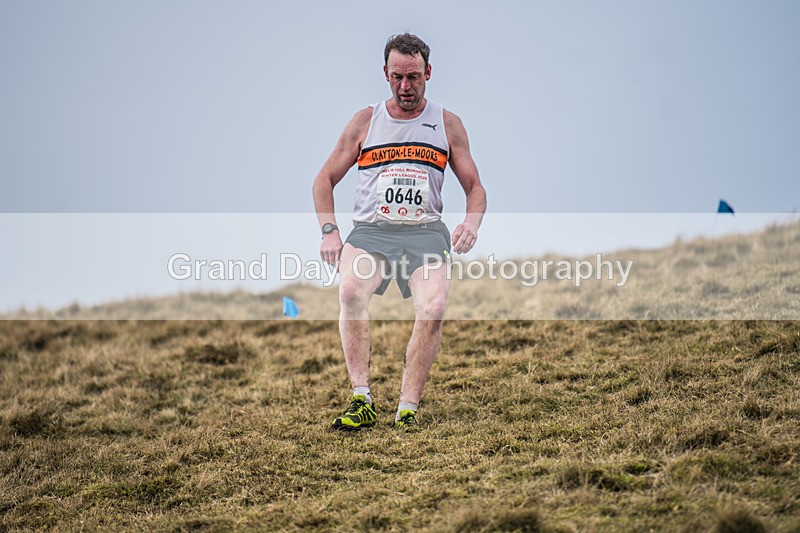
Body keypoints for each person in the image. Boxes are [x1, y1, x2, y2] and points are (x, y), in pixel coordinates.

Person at [312, 33, 486, 430]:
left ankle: (408, 407)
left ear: (428, 72)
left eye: (413, 77)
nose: (405, 87)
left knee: (434, 307)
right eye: (396, 78)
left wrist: (470, 223)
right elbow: (324, 179)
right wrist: (329, 231)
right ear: (385, 74)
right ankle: (362, 399)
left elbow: (475, 187)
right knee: (350, 292)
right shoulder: (365, 121)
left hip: (425, 232)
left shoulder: (447, 123)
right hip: (372, 231)